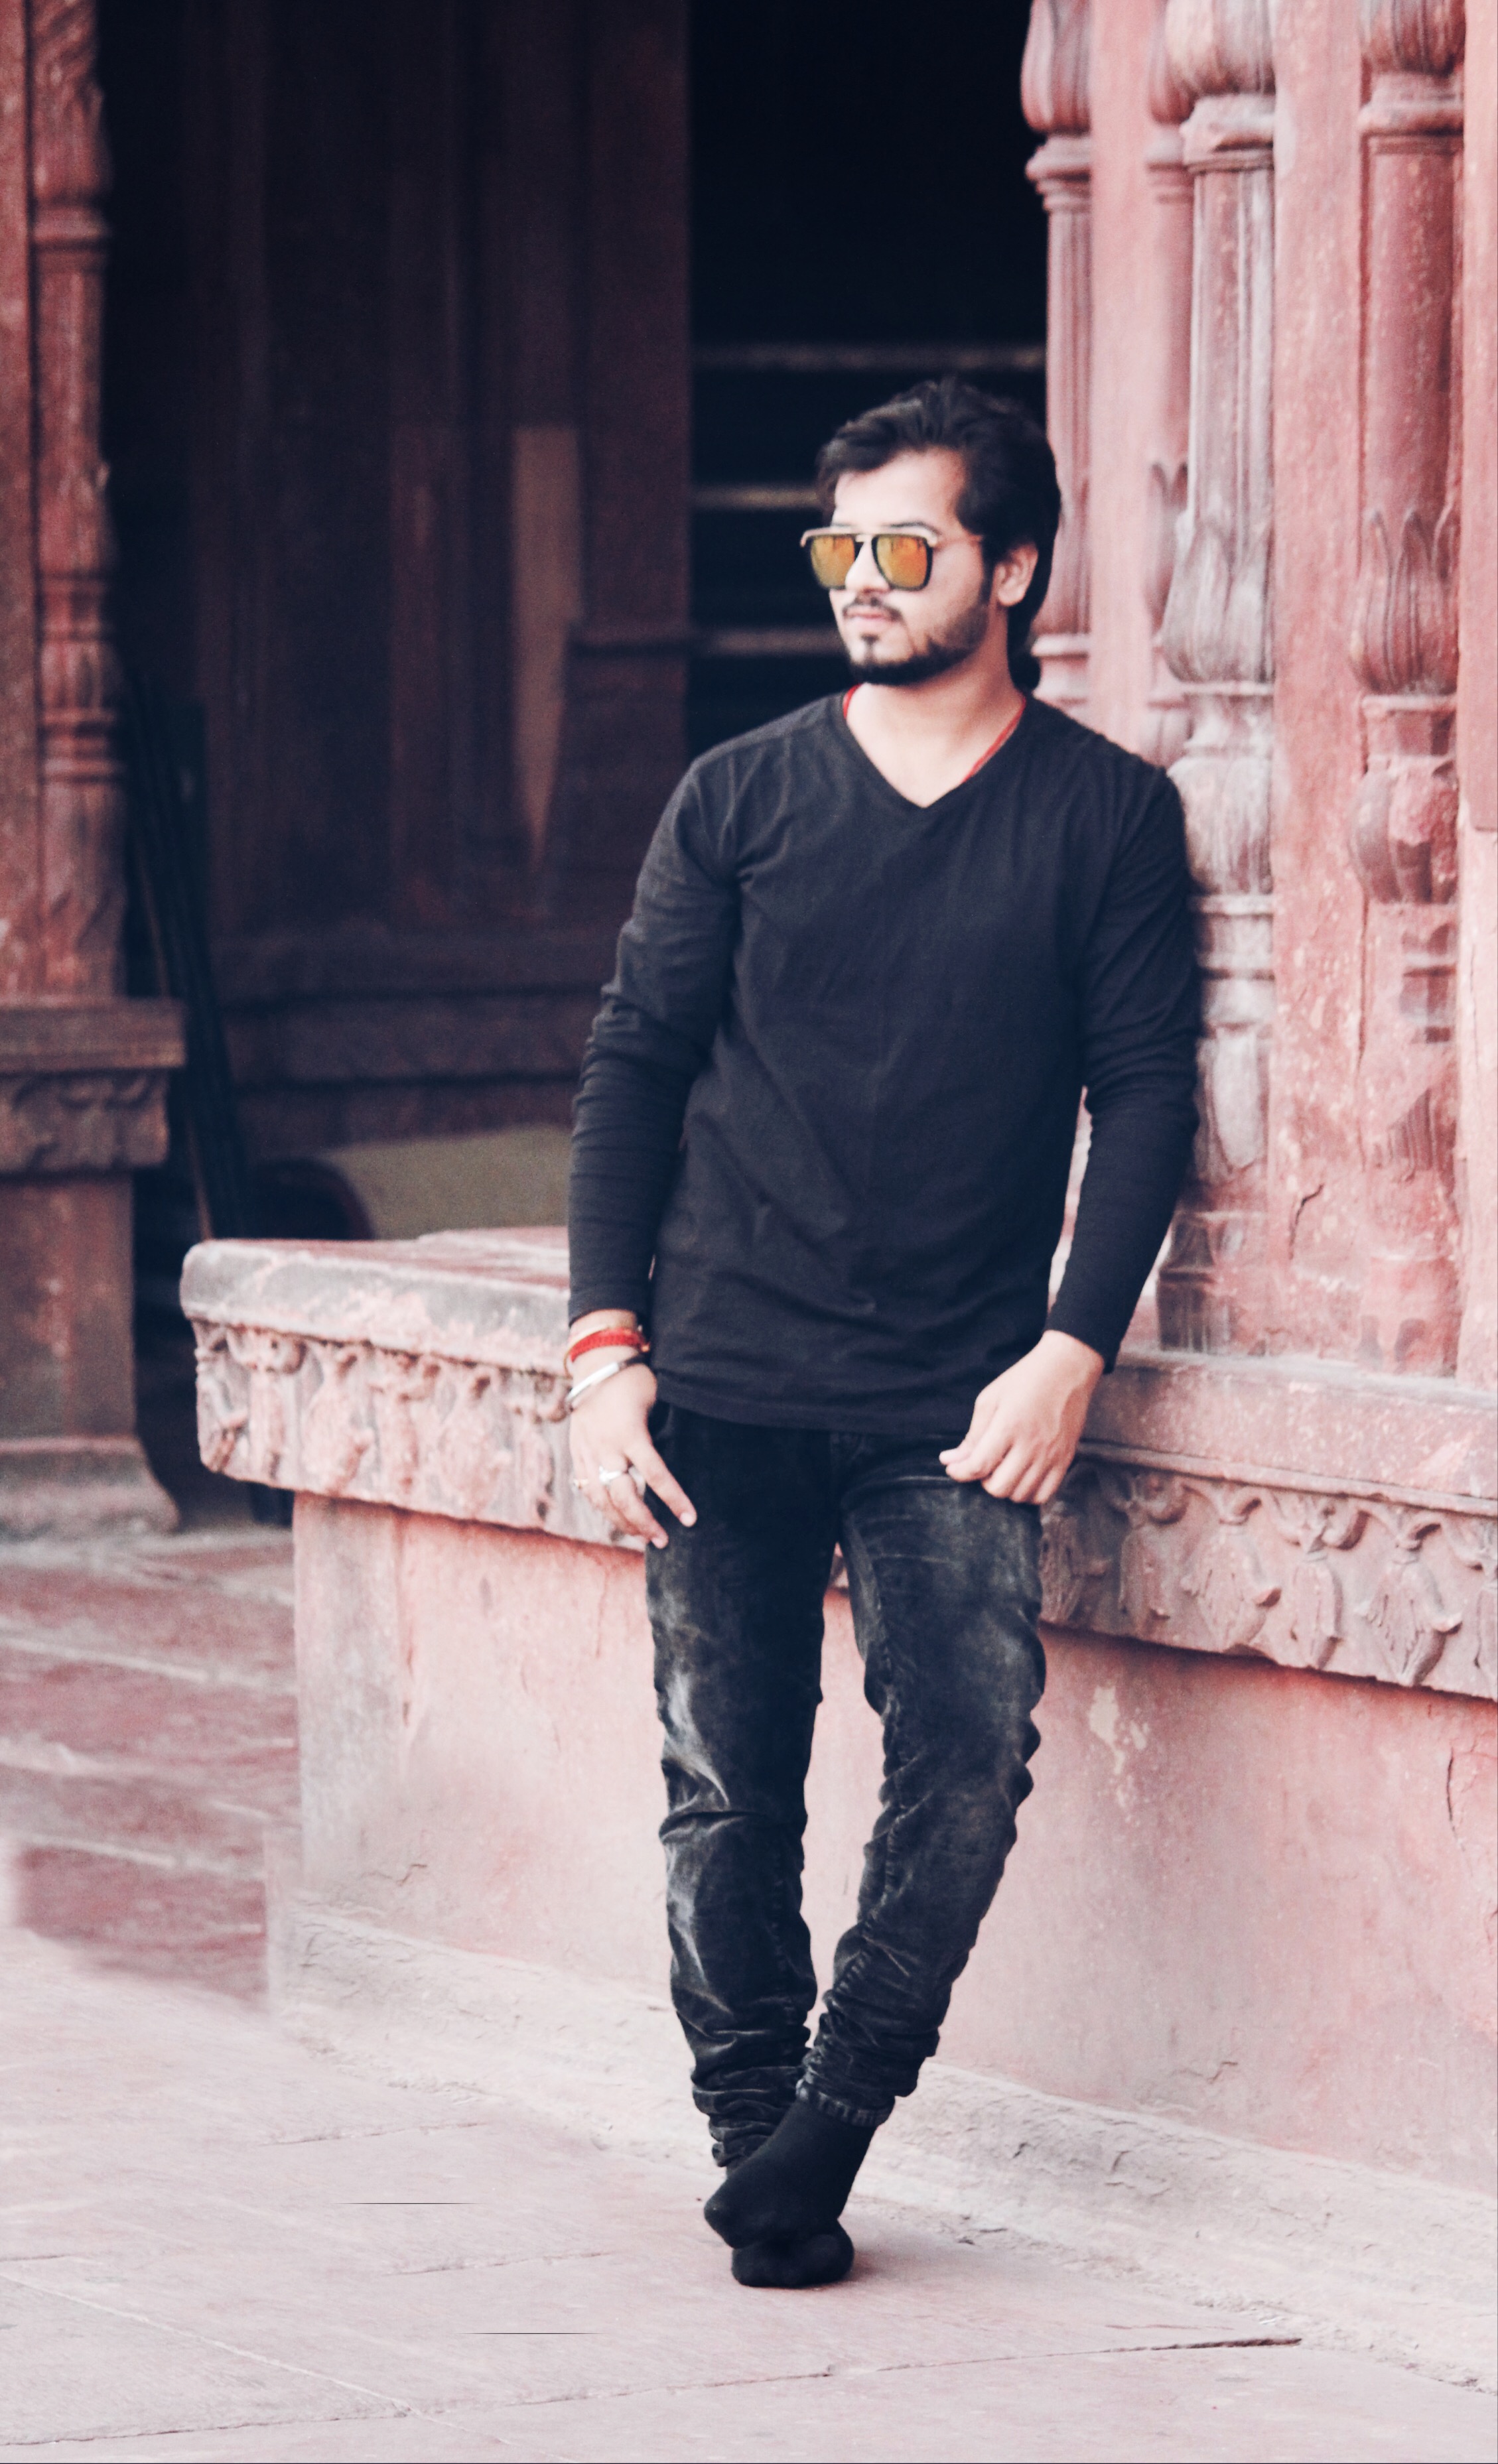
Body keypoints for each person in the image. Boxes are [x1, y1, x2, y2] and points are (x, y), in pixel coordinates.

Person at [565, 378, 1199, 2290]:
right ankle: (752, 2135)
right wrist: (601, 1350)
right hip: (720, 1375)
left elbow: (1144, 1097)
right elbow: (634, 1067)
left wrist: (1074, 1343)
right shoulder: (738, 797)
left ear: (1008, 567)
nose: (858, 576)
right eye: (836, 544)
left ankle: (828, 2121)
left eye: (901, 544)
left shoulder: (1106, 815)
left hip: (957, 1393)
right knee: (724, 1789)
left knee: (970, 1759)